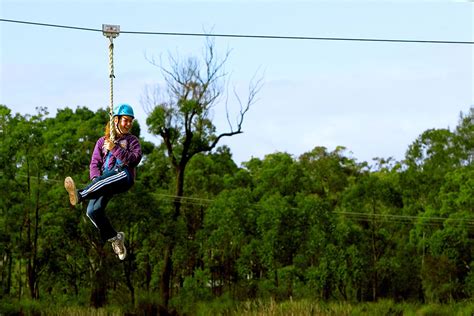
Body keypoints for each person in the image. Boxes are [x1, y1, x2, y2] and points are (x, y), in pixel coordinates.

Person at [64, 103, 142, 260]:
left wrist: (114, 148)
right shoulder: (102, 142)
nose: (128, 124)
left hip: (123, 175)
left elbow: (134, 159)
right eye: (125, 120)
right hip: (105, 180)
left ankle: (79, 195)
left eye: (130, 121)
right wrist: (95, 183)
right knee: (93, 211)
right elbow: (95, 163)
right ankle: (115, 238)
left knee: (108, 178)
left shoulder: (132, 141)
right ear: (116, 120)